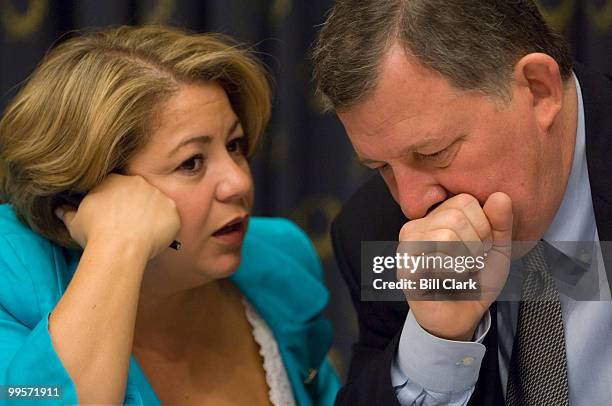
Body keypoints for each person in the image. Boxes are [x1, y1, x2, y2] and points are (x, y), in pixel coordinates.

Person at [0, 25, 339, 405]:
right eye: (191, 162)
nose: (239, 182)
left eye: (235, 145)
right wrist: (117, 242)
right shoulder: (12, 276)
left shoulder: (279, 256)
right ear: (92, 188)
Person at [312, 0, 612, 405]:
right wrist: (436, 344)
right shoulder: (374, 234)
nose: (413, 205)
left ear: (540, 90)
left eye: (435, 153)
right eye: (381, 166)